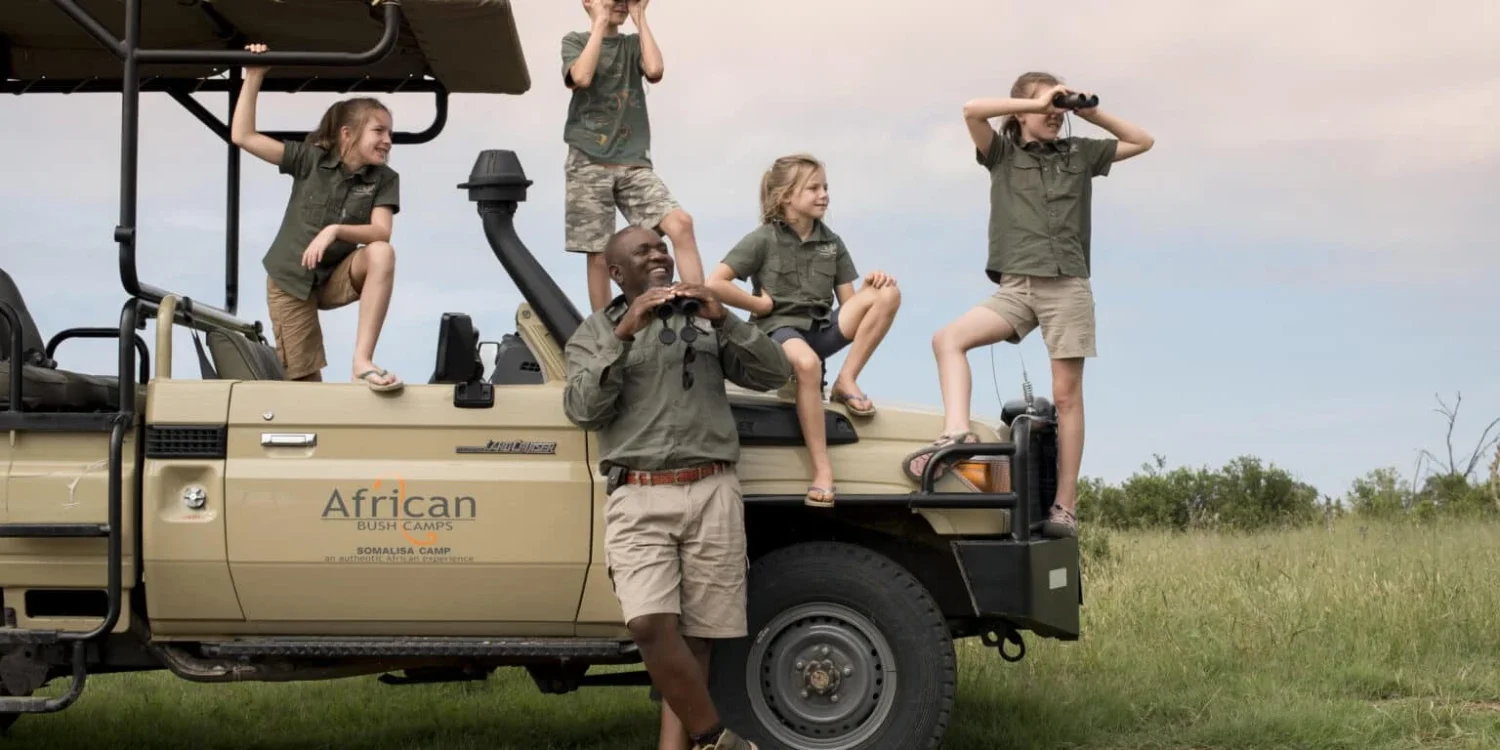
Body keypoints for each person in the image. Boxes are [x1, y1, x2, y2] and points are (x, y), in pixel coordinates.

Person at [563, 226, 788, 750]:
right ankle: (717, 739)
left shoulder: (707, 319)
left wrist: (725, 318)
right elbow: (582, 410)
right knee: (648, 624)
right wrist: (624, 335)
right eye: (642, 251)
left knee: (698, 640)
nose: (658, 255)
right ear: (617, 272)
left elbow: (773, 373)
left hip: (712, 488)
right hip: (638, 492)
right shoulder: (595, 332)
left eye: (661, 247)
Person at [901, 72, 1154, 538]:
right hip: (1016, 288)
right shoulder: (1001, 153)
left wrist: (1088, 111)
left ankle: (1065, 506)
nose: (1056, 115)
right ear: (1021, 111)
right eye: (1048, 106)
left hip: (1067, 286)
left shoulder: (1080, 153)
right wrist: (1039, 104)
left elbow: (1143, 141)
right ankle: (956, 434)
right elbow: (971, 110)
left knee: (1066, 396)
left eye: (1060, 107)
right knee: (947, 340)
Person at [708, 154, 901, 508]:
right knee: (808, 364)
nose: (824, 194)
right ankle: (822, 470)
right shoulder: (762, 239)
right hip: (777, 330)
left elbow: (850, 304)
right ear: (785, 196)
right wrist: (758, 305)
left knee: (888, 293)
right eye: (813, 188)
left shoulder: (833, 243)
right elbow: (715, 283)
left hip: (821, 329)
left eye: (825, 187)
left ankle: (846, 380)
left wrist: (871, 289)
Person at [229, 44, 403, 391]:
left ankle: (362, 362)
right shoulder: (309, 160)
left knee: (382, 252)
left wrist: (334, 230)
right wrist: (254, 76)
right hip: (291, 281)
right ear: (347, 134)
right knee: (307, 387)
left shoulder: (385, 178)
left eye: (389, 133)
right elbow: (243, 136)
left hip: (334, 276)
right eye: (379, 131)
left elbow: (381, 232)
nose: (387, 140)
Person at [561, 0, 704, 312]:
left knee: (680, 223)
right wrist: (600, 21)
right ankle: (603, 331)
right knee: (599, 252)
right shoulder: (575, 41)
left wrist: (639, 15)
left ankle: (700, 308)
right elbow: (581, 77)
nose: (621, 4)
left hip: (632, 161)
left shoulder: (632, 45)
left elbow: (654, 70)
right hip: (588, 159)